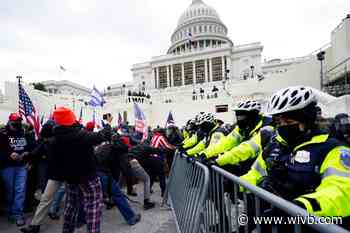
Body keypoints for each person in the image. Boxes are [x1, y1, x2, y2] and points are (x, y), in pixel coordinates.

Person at [241, 86, 350, 231]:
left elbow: (341, 191)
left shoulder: (332, 149)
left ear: (306, 119)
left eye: (289, 122)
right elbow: (256, 173)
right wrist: (235, 183)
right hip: (275, 222)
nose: (283, 127)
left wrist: (301, 206)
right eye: (279, 123)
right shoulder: (275, 146)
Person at [50, 107, 111, 233]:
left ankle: (67, 230)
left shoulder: (55, 139)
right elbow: (103, 136)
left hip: (70, 178)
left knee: (71, 206)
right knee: (93, 206)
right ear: (72, 120)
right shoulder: (81, 135)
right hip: (88, 177)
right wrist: (108, 123)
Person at [204, 100, 273, 176]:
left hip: (264, 170)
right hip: (248, 165)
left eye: (241, 116)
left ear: (253, 115)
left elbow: (247, 148)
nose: (239, 119)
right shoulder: (242, 128)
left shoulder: (267, 127)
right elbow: (226, 142)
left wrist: (219, 160)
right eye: (237, 116)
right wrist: (205, 154)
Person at [21, 121, 66, 233]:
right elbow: (36, 152)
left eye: (47, 138)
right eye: (44, 138)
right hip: (55, 175)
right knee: (45, 199)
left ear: (53, 136)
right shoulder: (46, 142)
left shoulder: (65, 141)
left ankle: (80, 219)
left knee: (76, 198)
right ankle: (35, 225)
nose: (45, 140)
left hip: (71, 174)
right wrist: (27, 157)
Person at [0, 113, 35, 227]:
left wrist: (28, 157)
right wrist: (9, 154)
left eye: (19, 121)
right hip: (7, 166)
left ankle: (17, 213)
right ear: (10, 121)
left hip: (21, 166)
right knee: (9, 190)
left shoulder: (24, 133)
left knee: (20, 190)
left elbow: (31, 148)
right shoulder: (3, 134)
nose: (18, 123)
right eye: (15, 121)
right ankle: (8, 210)